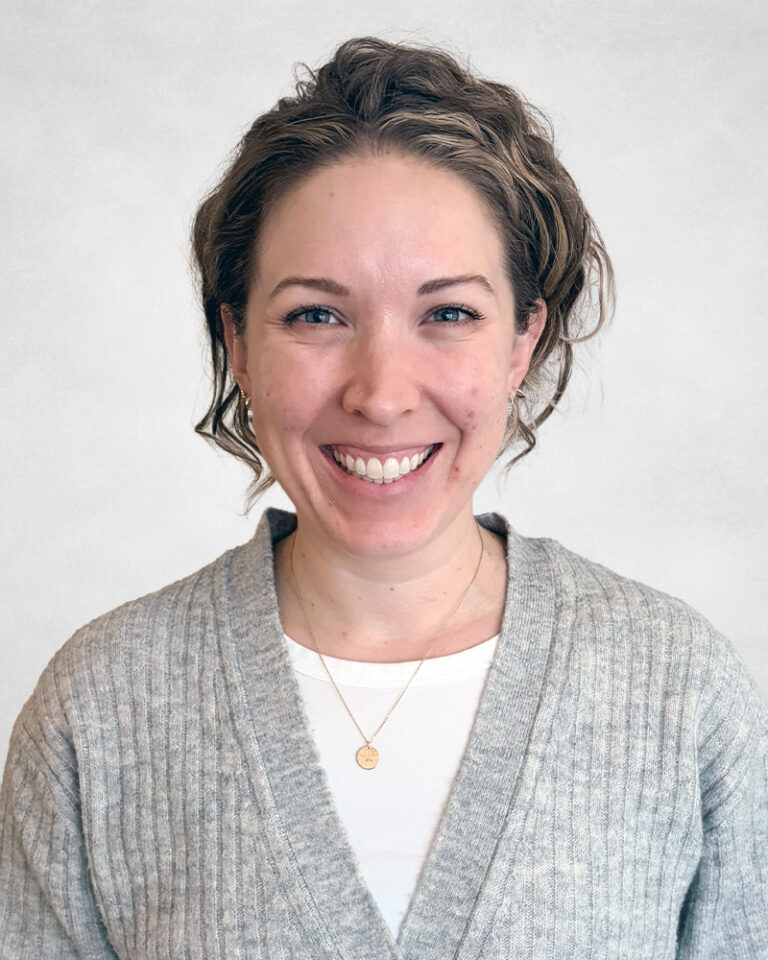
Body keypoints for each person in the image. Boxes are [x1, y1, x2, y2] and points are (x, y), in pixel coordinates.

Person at [1, 36, 766, 959]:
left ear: (523, 340)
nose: (383, 393)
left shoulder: (678, 691)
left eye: (448, 314)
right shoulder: (102, 707)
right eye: (315, 315)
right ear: (237, 341)